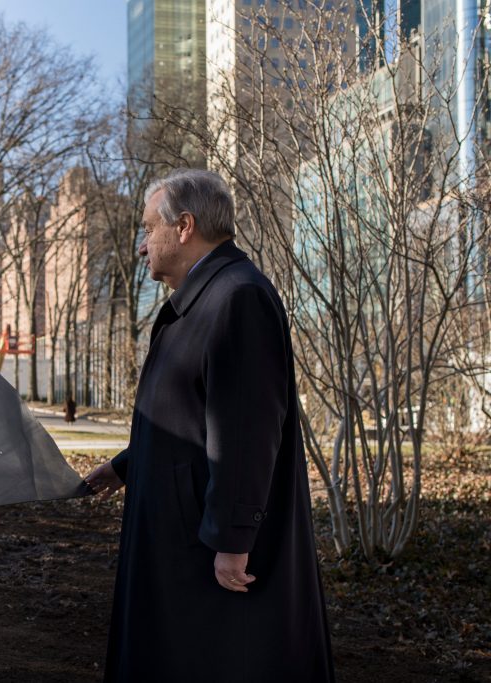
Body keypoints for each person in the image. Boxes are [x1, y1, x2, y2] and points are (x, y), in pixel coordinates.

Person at [84, 169, 334, 682]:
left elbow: (247, 430)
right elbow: (188, 418)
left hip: (206, 549)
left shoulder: (236, 298)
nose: (140, 245)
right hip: (180, 536)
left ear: (184, 226)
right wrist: (124, 466)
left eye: (148, 228)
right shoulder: (200, 302)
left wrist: (232, 540)